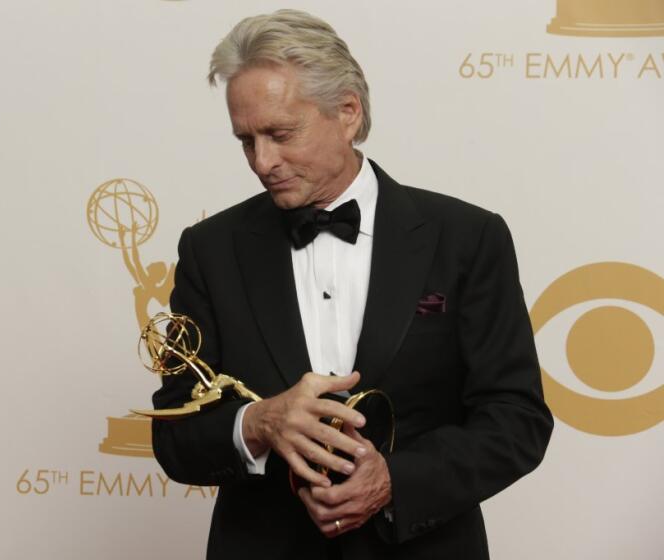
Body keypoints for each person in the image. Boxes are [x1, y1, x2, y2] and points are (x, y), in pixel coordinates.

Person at [151, 9, 553, 560]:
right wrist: (259, 423)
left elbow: (517, 419)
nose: (262, 162)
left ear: (347, 112)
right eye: (246, 140)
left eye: (280, 133)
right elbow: (174, 438)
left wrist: (395, 482)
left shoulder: (466, 237)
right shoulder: (210, 249)